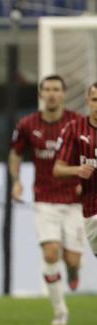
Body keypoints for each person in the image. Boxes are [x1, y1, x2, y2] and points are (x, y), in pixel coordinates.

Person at [9, 75, 84, 325]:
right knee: (51, 253)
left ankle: (73, 271)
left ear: (64, 94)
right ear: (41, 94)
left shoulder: (77, 123)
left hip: (76, 200)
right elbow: (15, 154)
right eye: (47, 89)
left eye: (56, 89)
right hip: (44, 198)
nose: (52, 94)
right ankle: (60, 311)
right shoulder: (28, 124)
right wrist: (16, 181)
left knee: (72, 259)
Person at [54, 82, 97, 258]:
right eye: (95, 99)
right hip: (92, 209)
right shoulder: (74, 129)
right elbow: (58, 169)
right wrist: (77, 170)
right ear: (88, 101)